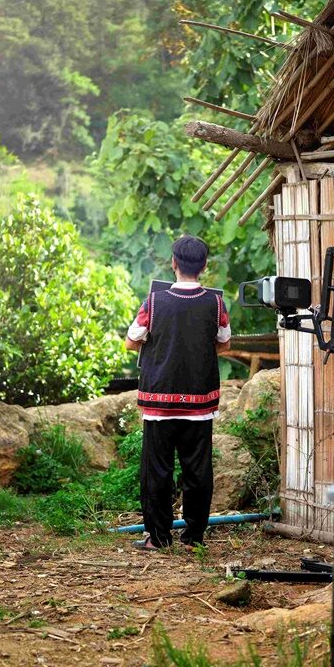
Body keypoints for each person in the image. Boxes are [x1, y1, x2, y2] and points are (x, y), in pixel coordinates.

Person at [124, 235, 231, 551]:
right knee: (198, 471)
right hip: (199, 402)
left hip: (159, 402)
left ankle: (158, 538)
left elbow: (132, 341)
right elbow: (224, 344)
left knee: (157, 470)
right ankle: (193, 538)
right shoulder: (215, 303)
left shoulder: (154, 302)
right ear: (205, 267)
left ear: (173, 263)